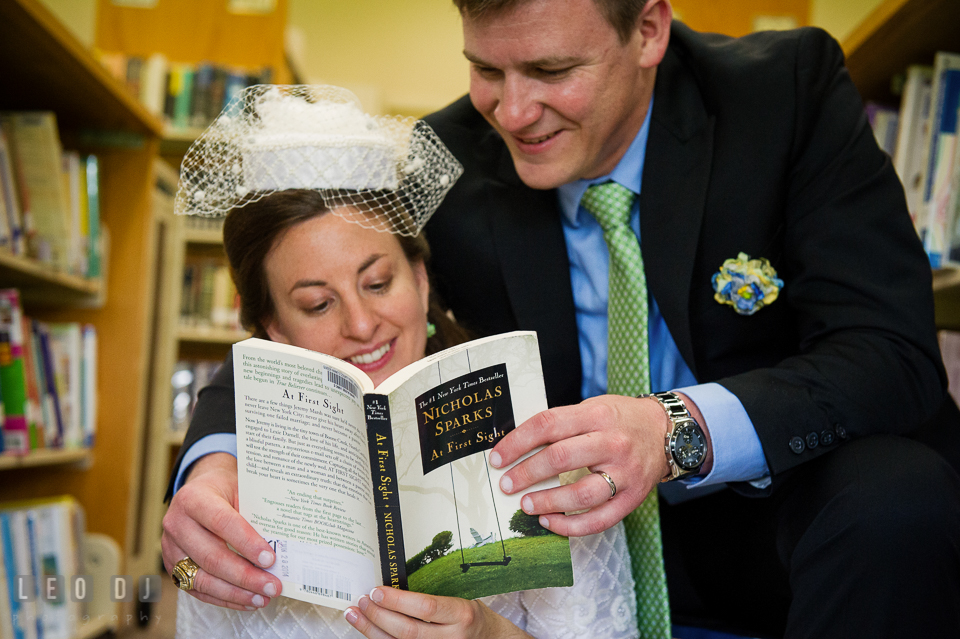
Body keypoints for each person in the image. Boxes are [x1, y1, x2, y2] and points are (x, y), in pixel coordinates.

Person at [169, 1, 960, 637]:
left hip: (782, 517)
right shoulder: (447, 159)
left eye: (552, 69)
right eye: (486, 69)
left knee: (901, 498)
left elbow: (891, 354)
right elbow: (322, 313)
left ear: (649, 29)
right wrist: (215, 457)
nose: (513, 112)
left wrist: (672, 430)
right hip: (567, 543)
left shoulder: (784, 95)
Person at [165, 85, 642, 639]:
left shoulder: (549, 463)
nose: (362, 325)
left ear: (418, 279)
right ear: (273, 327)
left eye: (378, 282)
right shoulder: (225, 501)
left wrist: (488, 634)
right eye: (317, 304)